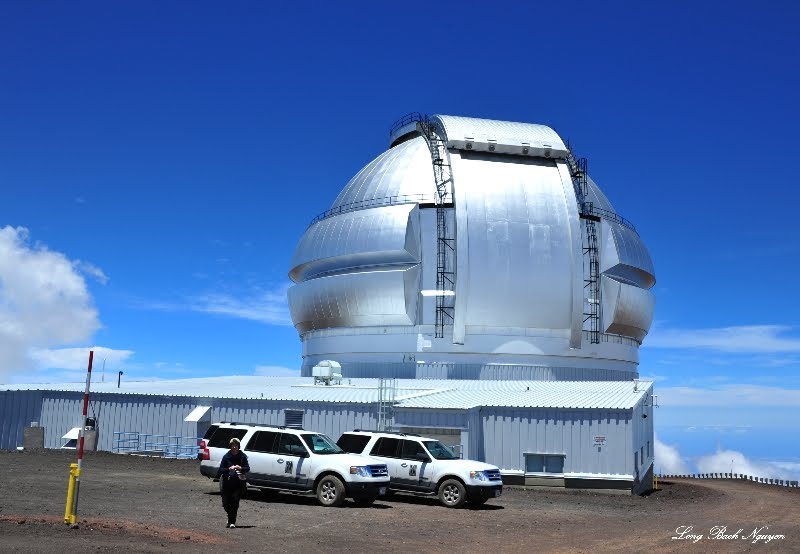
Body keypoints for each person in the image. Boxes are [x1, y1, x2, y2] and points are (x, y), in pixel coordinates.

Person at [217, 437, 250, 528]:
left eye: (236, 445)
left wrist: (241, 468)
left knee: (235, 502)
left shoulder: (243, 457)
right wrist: (228, 469)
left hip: (238, 483)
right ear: (230, 446)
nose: (234, 447)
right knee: (226, 503)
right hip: (227, 483)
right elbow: (221, 469)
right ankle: (230, 517)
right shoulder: (226, 457)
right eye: (232, 445)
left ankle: (232, 522)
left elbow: (247, 468)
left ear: (238, 446)